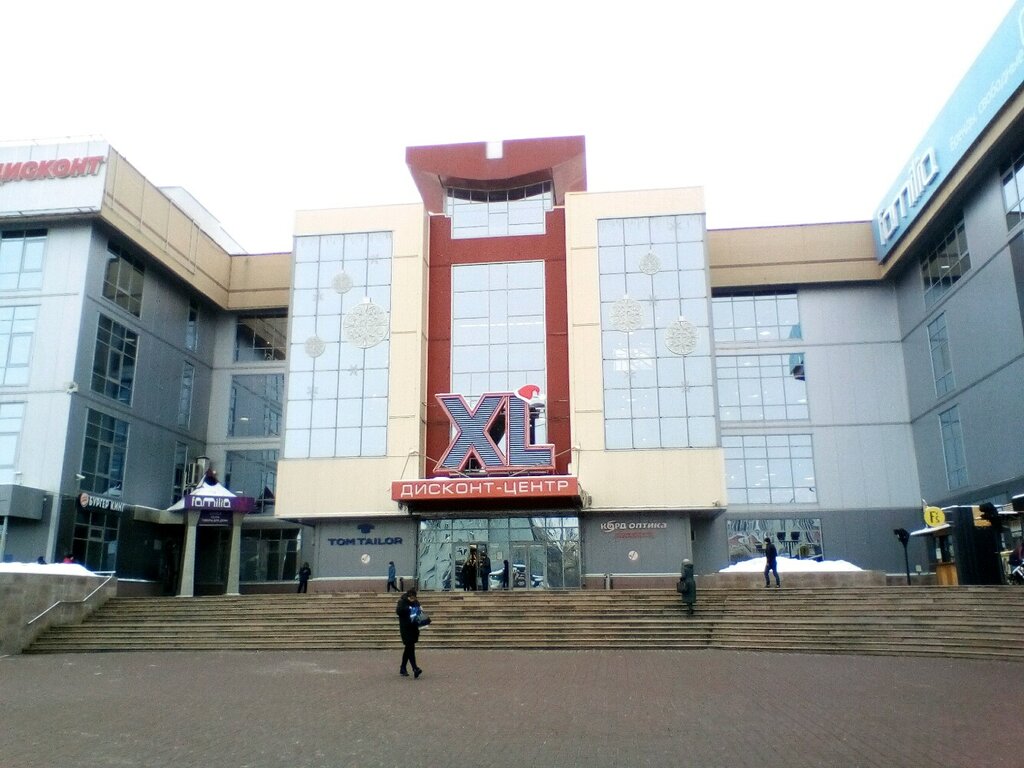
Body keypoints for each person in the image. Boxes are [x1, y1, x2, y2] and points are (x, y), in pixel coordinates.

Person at [395, 587, 424, 678]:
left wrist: (420, 612)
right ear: (408, 596)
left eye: (414, 598)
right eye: (411, 598)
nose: (413, 599)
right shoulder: (402, 602)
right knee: (410, 647)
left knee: (409, 649)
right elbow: (398, 611)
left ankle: (403, 667)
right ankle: (415, 668)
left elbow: (419, 612)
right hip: (406, 628)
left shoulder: (416, 602)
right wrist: (409, 608)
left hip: (414, 628)